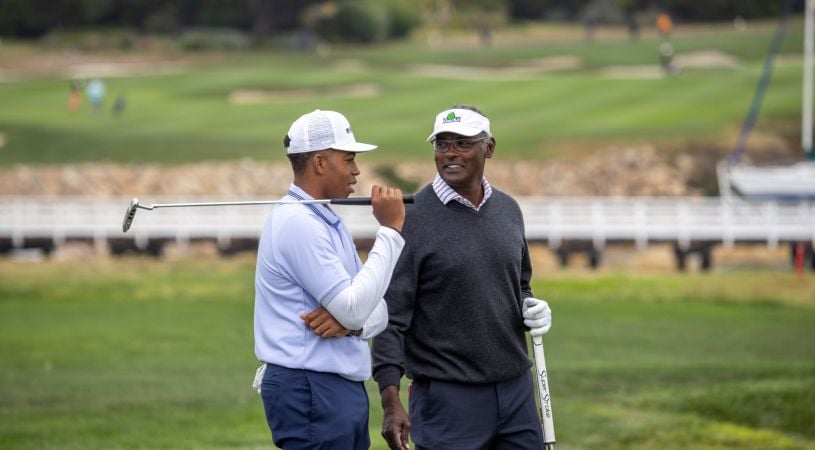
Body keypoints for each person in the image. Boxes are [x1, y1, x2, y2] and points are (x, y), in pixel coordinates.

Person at [372, 105, 553, 450]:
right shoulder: (411, 218)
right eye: (442, 144)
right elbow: (390, 319)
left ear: (489, 147)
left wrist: (532, 309)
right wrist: (390, 399)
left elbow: (520, 285)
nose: (450, 153)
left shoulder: (508, 210)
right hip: (447, 400)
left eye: (462, 143)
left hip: (516, 392)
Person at [253, 109, 406, 449]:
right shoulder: (298, 222)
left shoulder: (323, 220)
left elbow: (376, 310)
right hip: (310, 386)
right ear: (320, 163)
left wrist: (350, 325)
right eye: (349, 159)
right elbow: (355, 307)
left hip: (332, 387)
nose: (356, 171)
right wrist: (391, 232)